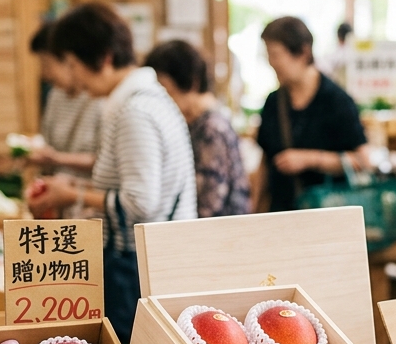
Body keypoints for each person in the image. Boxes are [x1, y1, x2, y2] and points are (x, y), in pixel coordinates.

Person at [27, 2, 197, 344]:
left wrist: (72, 195)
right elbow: (130, 183)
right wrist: (74, 184)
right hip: (148, 263)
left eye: (75, 65)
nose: (71, 77)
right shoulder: (145, 99)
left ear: (103, 59)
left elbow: (141, 202)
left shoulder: (135, 111)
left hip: (137, 269)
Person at [254, 16, 369, 213]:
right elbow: (265, 163)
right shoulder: (274, 102)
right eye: (268, 55)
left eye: (276, 54)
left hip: (326, 217)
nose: (272, 63)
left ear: (303, 52)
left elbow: (361, 161)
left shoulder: (336, 101)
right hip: (281, 217)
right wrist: (254, 208)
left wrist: (310, 159)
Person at [145, 40, 251, 218]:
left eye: (164, 89)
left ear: (191, 83)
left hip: (219, 236)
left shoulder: (211, 128)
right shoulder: (198, 122)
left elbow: (210, 202)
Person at [28, 22, 99, 179]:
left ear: (68, 60)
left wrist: (57, 158)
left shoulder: (98, 97)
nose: (44, 73)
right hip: (60, 195)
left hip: (87, 194)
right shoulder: (55, 95)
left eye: (46, 63)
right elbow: (48, 142)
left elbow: (106, 160)